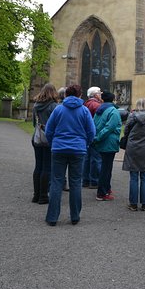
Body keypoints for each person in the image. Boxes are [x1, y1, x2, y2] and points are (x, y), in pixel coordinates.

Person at [44, 84, 96, 226]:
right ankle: (75, 216)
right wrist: (85, 144)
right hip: (78, 150)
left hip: (59, 149)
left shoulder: (58, 109)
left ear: (66, 95)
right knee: (75, 182)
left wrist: (53, 142)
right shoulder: (84, 111)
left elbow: (49, 130)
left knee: (56, 182)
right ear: (80, 95)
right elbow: (92, 132)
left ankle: (52, 217)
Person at [122, 98, 145, 211]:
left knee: (133, 176)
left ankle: (133, 204)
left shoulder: (132, 116)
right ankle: (144, 204)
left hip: (133, 146)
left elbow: (126, 130)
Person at [31, 83, 58, 204]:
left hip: (37, 138)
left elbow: (33, 123)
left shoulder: (36, 106)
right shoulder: (54, 107)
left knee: (38, 166)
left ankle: (36, 195)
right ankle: (43, 196)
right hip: (49, 139)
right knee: (47, 167)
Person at [93, 92, 121, 201]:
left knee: (106, 167)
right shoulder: (113, 111)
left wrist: (96, 138)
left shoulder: (99, 110)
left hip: (101, 142)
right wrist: (98, 137)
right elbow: (109, 127)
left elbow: (94, 124)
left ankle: (107, 188)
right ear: (113, 99)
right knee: (106, 169)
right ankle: (102, 193)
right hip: (108, 142)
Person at [82, 86, 103, 188]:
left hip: (86, 134)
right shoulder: (96, 105)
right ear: (95, 95)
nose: (100, 95)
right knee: (96, 159)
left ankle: (85, 180)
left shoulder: (86, 104)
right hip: (94, 133)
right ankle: (94, 181)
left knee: (87, 158)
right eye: (99, 93)